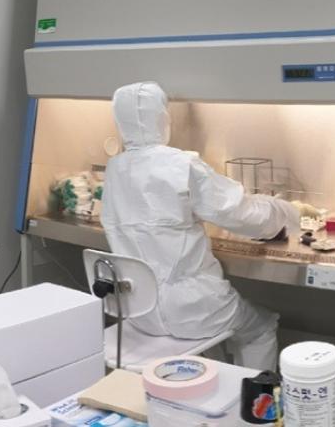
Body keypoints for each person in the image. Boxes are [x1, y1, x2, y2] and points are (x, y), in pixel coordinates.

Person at [101, 82, 312, 371]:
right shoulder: (181, 164)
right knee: (260, 327)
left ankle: (211, 385)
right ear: (162, 118)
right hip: (192, 309)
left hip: (139, 311)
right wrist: (289, 213)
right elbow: (242, 215)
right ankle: (252, 399)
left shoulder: (115, 168)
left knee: (211, 334)